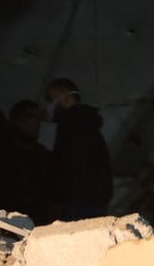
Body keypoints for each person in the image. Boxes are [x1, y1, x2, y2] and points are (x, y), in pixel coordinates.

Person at [45, 78, 113, 220]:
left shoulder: (69, 125)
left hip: (76, 203)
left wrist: (57, 199)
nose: (50, 106)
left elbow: (64, 166)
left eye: (52, 99)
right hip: (95, 201)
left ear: (66, 98)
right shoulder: (90, 125)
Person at [0, 100, 53, 224]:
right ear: (15, 121)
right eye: (29, 116)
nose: (36, 123)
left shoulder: (44, 156)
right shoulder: (3, 155)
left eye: (38, 118)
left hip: (37, 227)